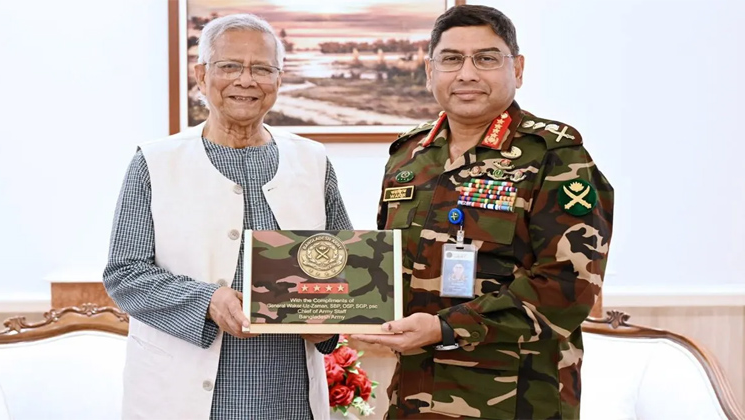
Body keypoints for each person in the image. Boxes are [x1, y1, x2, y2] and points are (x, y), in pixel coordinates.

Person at [352, 5, 614, 419]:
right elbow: (391, 268)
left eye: (486, 58)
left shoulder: (556, 156)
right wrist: (340, 309)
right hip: (414, 400)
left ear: (518, 69)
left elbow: (567, 288)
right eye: (451, 59)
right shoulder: (409, 157)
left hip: (516, 401)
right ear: (429, 71)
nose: (467, 74)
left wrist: (445, 327)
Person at [102, 13, 351, 420]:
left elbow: (343, 267)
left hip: (288, 394)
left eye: (262, 69)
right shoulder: (155, 162)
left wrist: (329, 319)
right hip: (183, 395)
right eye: (230, 66)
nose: (246, 80)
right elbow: (124, 274)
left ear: (279, 80)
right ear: (201, 75)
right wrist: (208, 300)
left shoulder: (313, 161)